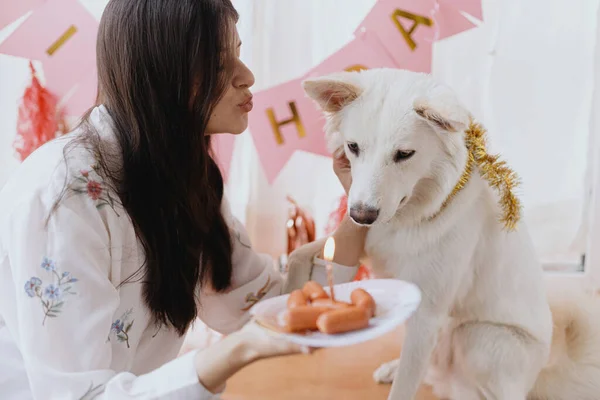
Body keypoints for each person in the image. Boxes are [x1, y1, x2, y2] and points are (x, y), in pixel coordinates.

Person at [0, 0, 367, 399]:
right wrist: (239, 350)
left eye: (238, 55)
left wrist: (362, 202)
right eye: (218, 63)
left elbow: (264, 304)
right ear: (160, 74)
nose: (247, 77)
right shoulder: (64, 197)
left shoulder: (187, 177)